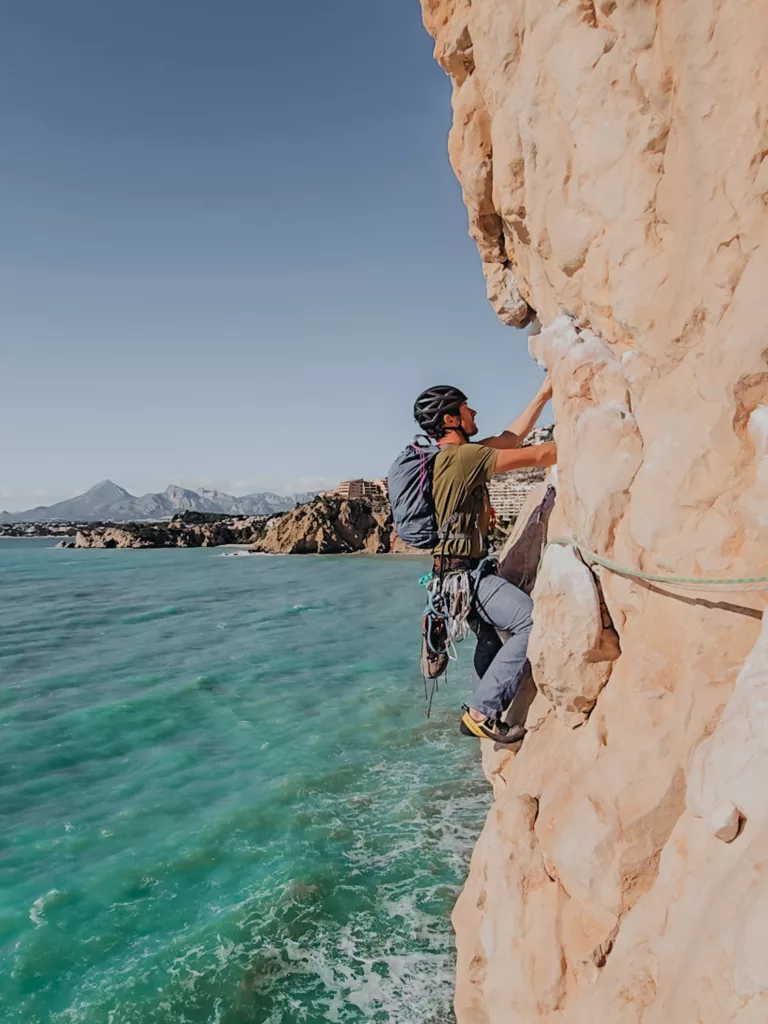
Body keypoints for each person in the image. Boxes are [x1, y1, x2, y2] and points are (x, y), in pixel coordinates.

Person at [413, 380, 557, 743]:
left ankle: (480, 706)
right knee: (531, 621)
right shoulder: (465, 458)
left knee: (490, 641)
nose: (473, 412)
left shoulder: (454, 457)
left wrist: (544, 393)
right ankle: (481, 712)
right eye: (466, 408)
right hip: (464, 578)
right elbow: (540, 455)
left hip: (450, 579)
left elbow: (512, 438)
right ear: (450, 419)